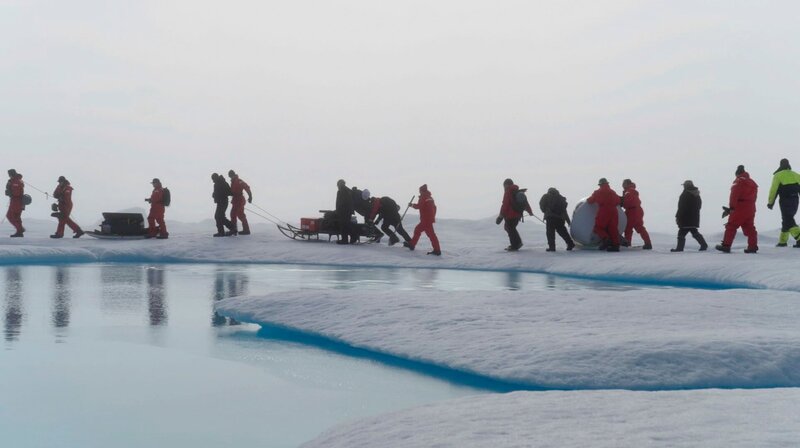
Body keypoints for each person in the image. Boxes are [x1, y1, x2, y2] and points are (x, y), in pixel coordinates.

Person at [716, 165, 758, 253]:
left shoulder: (738, 181)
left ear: (737, 173)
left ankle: (726, 245)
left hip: (740, 207)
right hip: (751, 208)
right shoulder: (752, 183)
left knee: (731, 226)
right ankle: (752, 246)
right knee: (750, 227)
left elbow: (734, 195)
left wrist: (731, 207)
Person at [766, 158, 800, 247]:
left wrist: (770, 202)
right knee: (787, 218)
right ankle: (782, 241)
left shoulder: (778, 175)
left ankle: (799, 238)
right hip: (795, 200)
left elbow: (774, 190)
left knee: (788, 218)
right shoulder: (796, 175)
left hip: (785, 200)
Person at [496, 178, 533, 251]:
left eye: (504, 186)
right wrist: (530, 211)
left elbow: (505, 205)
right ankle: (516, 243)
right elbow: (526, 203)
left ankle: (515, 245)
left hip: (510, 215)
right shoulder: (517, 191)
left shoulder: (508, 192)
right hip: (518, 215)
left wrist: (501, 216)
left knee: (510, 229)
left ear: (506, 185)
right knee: (510, 228)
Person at [671, 180, 708, 252]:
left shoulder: (685, 194)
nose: (683, 186)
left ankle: (680, 248)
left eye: (684, 185)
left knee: (681, 233)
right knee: (694, 231)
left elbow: (681, 207)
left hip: (685, 218)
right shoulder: (696, 194)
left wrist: (678, 216)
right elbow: (699, 206)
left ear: (686, 186)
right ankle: (703, 244)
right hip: (694, 218)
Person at [405, 184, 441, 255]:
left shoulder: (423, 197)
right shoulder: (430, 197)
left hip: (426, 219)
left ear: (421, 190)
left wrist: (411, 205)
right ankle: (437, 250)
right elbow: (435, 208)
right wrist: (432, 217)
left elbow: (419, 206)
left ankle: (412, 245)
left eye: (419, 190)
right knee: (430, 235)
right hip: (428, 219)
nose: (419, 192)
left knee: (418, 230)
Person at [586, 178, 620, 251]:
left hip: (604, 210)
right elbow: (618, 201)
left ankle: (606, 239)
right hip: (614, 211)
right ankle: (616, 246)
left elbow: (590, 201)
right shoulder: (613, 192)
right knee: (613, 229)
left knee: (598, 227)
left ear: (600, 185)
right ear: (607, 184)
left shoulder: (598, 192)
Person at [539, 187, 574, 252]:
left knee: (550, 233)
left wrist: (546, 211)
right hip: (560, 218)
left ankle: (552, 247)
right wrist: (568, 221)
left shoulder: (546, 196)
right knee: (562, 232)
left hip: (550, 217)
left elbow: (542, 205)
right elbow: (564, 211)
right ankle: (570, 243)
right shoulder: (560, 198)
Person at [620, 179, 653, 249]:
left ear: (626, 184)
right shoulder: (631, 191)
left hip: (632, 211)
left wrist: (621, 202)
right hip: (636, 210)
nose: (622, 185)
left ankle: (628, 244)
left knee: (631, 228)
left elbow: (627, 202)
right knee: (637, 227)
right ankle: (647, 243)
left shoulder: (629, 191)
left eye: (623, 184)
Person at [228, 170, 252, 235]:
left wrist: (250, 196)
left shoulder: (239, 181)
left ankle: (234, 230)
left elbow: (246, 187)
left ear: (232, 175)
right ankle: (246, 230)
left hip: (239, 200)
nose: (230, 177)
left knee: (233, 214)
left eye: (230, 176)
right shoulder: (233, 182)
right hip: (237, 200)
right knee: (240, 215)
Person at [5, 169, 25, 237]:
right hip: (15, 201)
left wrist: (10, 192)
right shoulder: (15, 180)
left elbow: (17, 192)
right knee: (12, 216)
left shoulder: (16, 181)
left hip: (16, 201)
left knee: (14, 216)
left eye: (9, 174)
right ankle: (20, 230)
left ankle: (20, 231)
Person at [335, 179, 355, 244]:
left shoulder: (343, 191)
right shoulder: (347, 190)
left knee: (344, 225)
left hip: (344, 211)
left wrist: (338, 210)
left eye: (338, 185)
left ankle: (345, 239)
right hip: (346, 211)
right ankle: (351, 237)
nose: (337, 186)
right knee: (346, 225)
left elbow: (342, 202)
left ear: (340, 184)